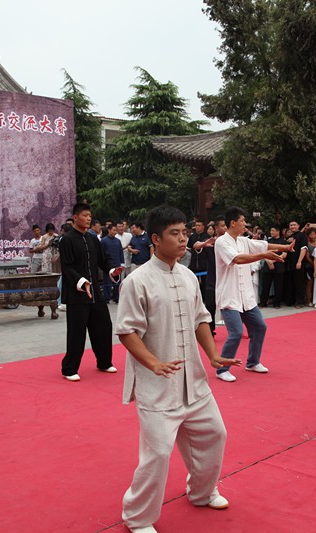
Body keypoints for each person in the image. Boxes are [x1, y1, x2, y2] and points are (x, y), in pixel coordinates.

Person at [115, 206, 239, 533]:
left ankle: (202, 491)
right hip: (157, 386)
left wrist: (212, 355)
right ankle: (138, 517)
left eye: (184, 232)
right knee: (157, 454)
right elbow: (126, 331)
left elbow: (201, 319)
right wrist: (153, 363)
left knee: (215, 434)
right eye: (175, 233)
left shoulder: (187, 277)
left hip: (194, 381)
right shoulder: (137, 281)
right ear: (156, 239)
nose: (183, 239)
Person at [214, 207, 293, 383]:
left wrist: (286, 247)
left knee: (260, 327)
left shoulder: (243, 241)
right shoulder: (221, 242)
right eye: (242, 221)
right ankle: (222, 369)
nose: (245, 224)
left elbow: (264, 245)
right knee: (236, 333)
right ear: (233, 223)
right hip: (229, 296)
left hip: (246, 297)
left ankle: (252, 362)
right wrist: (263, 256)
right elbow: (237, 259)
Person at [58, 203, 124, 381]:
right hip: (77, 294)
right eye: (85, 215)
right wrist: (81, 281)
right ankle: (69, 368)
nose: (88, 219)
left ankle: (104, 362)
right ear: (75, 217)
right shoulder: (67, 240)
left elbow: (104, 260)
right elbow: (67, 267)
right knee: (77, 332)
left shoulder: (93, 238)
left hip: (95, 293)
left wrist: (112, 270)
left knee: (104, 326)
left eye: (90, 216)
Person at [259, 225, 287, 308]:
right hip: (267, 265)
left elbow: (284, 254)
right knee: (265, 285)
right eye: (271, 230)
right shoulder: (267, 241)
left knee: (278, 286)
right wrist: (268, 261)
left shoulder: (283, 242)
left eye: (273, 230)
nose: (271, 232)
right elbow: (263, 253)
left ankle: (277, 303)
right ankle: (263, 302)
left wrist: (273, 261)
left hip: (279, 265)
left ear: (278, 231)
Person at [100, 224, 124, 303]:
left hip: (117, 264)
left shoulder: (118, 241)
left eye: (115, 230)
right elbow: (101, 253)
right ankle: (106, 298)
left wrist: (122, 262)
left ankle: (117, 297)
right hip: (107, 265)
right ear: (109, 230)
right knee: (107, 282)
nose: (115, 232)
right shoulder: (103, 241)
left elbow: (120, 252)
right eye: (113, 230)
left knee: (117, 282)